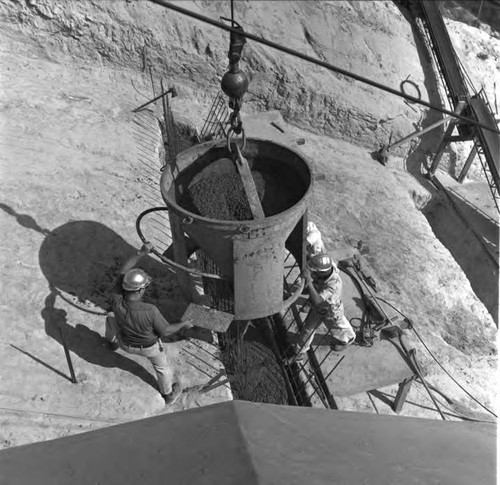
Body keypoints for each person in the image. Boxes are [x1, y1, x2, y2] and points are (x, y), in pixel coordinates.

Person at [105, 241, 193, 405]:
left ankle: (110, 343)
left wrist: (141, 252)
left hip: (124, 342)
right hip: (148, 349)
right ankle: (168, 395)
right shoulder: (150, 310)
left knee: (110, 317)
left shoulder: (116, 298)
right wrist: (183, 324)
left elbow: (123, 271)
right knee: (162, 369)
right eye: (144, 286)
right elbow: (166, 331)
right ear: (139, 290)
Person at [294, 253, 356, 357]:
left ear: (323, 273)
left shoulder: (334, 285)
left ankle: (348, 340)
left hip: (331, 310)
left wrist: (308, 282)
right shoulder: (327, 266)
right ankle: (299, 352)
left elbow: (318, 300)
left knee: (339, 328)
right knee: (308, 329)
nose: (313, 273)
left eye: (315, 272)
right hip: (317, 307)